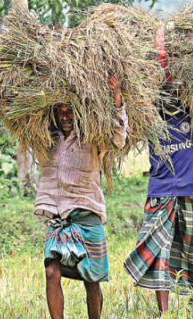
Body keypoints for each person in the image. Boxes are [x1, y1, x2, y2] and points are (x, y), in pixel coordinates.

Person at [123, 24, 193, 314]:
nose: (172, 92)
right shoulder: (152, 118)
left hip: (188, 193)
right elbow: (126, 112)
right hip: (159, 193)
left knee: (191, 251)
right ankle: (164, 312)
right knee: (160, 253)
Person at [35, 76, 127, 319]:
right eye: (60, 111)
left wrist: (116, 98)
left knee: (92, 280)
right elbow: (25, 124)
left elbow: (118, 139)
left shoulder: (92, 138)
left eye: (70, 110)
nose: (65, 116)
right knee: (51, 272)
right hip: (59, 220)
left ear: (79, 112)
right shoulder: (47, 140)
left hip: (88, 217)